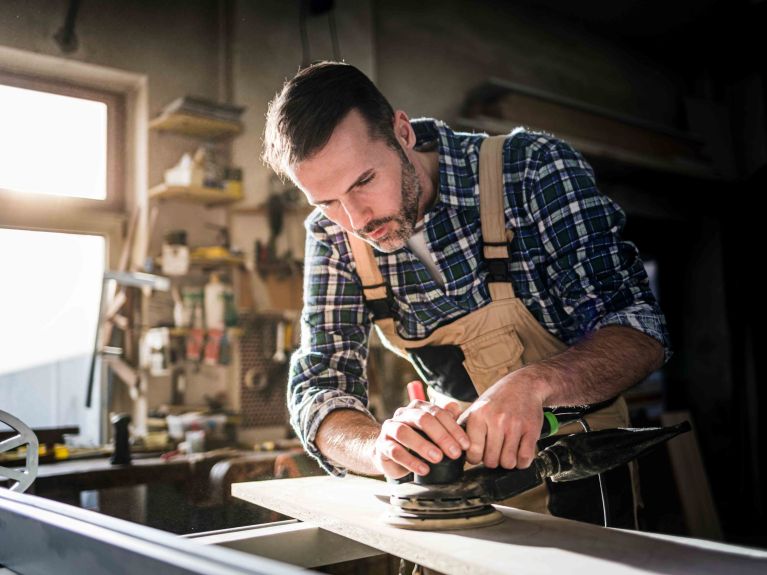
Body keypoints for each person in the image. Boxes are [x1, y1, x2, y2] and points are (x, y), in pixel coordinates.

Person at [262, 61, 671, 527]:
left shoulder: (532, 169)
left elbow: (638, 330)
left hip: (582, 472)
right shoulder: (332, 236)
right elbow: (319, 387)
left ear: (402, 132)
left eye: (363, 182)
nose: (356, 220)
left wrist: (534, 385)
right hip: (457, 492)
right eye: (328, 201)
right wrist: (379, 447)